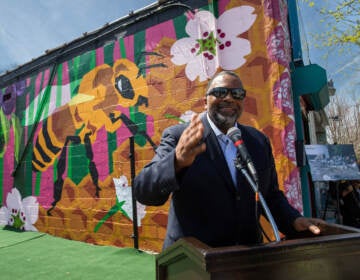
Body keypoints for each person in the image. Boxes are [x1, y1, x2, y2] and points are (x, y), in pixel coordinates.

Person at [134, 70, 325, 250]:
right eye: (220, 92)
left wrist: (293, 219)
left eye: (237, 93)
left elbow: (269, 195)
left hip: (246, 257)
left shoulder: (258, 141)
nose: (229, 98)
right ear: (205, 102)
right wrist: (176, 161)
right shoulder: (180, 136)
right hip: (195, 261)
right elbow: (144, 191)